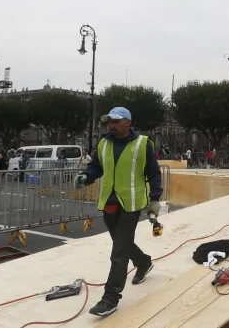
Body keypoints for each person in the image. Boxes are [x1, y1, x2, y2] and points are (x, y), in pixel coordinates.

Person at [74, 107, 163, 317]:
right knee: (121, 244)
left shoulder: (143, 144)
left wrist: (155, 199)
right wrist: (86, 176)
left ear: (128, 123)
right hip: (109, 202)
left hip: (131, 204)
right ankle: (143, 262)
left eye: (115, 121)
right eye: (109, 122)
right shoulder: (104, 144)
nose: (111, 125)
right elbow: (96, 167)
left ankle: (110, 297)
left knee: (118, 253)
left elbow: (153, 173)